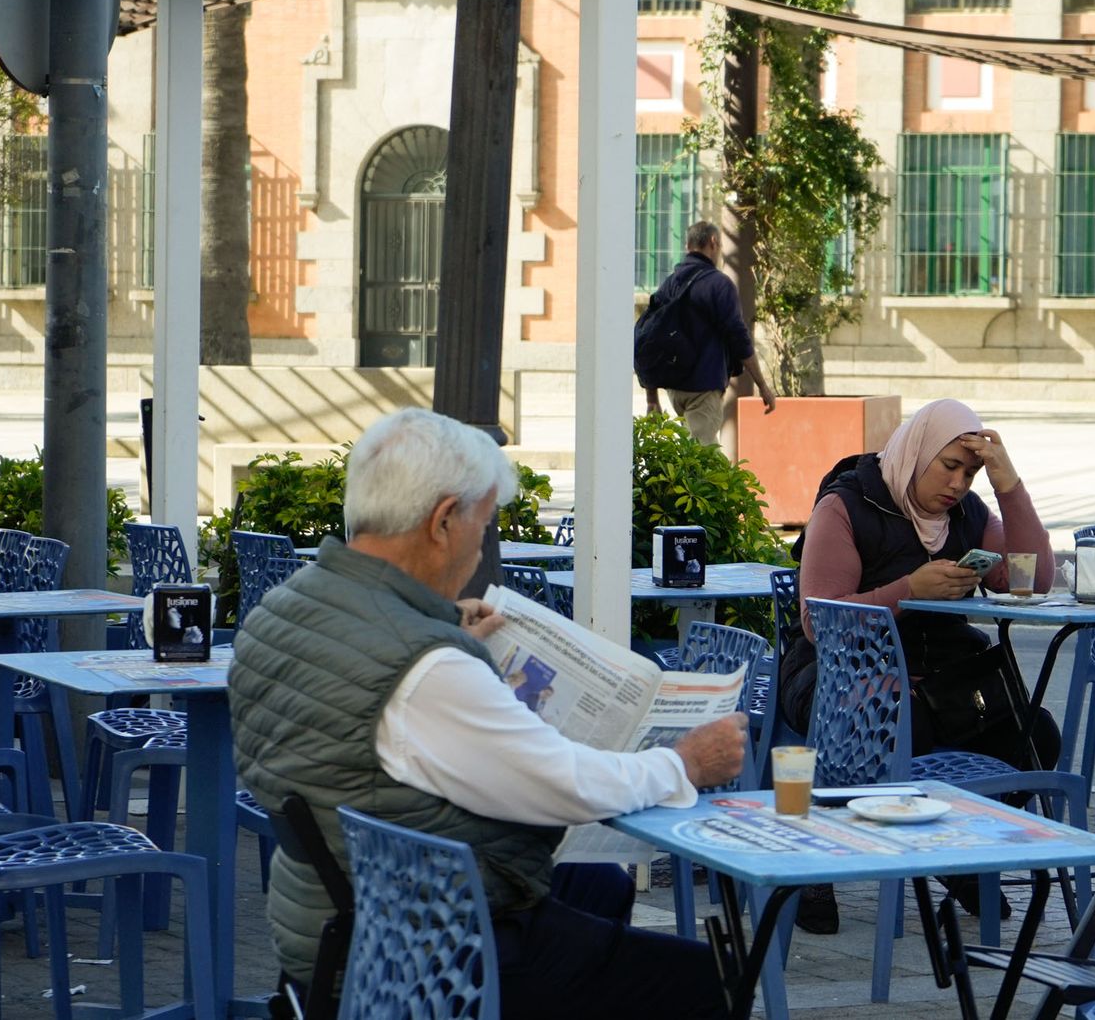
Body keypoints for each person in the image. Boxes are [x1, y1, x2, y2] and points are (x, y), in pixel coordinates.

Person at [230, 408, 747, 1019]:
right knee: (697, 980)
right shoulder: (426, 672)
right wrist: (685, 761)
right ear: (444, 520)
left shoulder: (280, 610)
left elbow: (370, 703)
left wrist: (444, 632)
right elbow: (567, 784)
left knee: (594, 884)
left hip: (332, 922)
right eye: (483, 525)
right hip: (424, 953)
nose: (481, 550)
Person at [776, 398, 1058, 931]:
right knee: (899, 724)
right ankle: (815, 855)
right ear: (917, 451)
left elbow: (1034, 580)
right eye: (949, 466)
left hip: (939, 680)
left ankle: (954, 857)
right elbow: (819, 620)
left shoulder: (968, 515)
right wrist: (907, 591)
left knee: (1033, 735)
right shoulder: (847, 505)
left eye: (969, 472)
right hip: (840, 675)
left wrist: (1007, 483)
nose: (958, 483)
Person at [642, 220, 777, 444]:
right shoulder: (719, 285)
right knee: (704, 456)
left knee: (689, 451)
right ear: (713, 242)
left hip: (674, 388)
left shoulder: (669, 284)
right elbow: (739, 337)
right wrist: (762, 385)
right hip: (703, 386)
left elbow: (649, 337)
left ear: (687, 246)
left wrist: (651, 397)